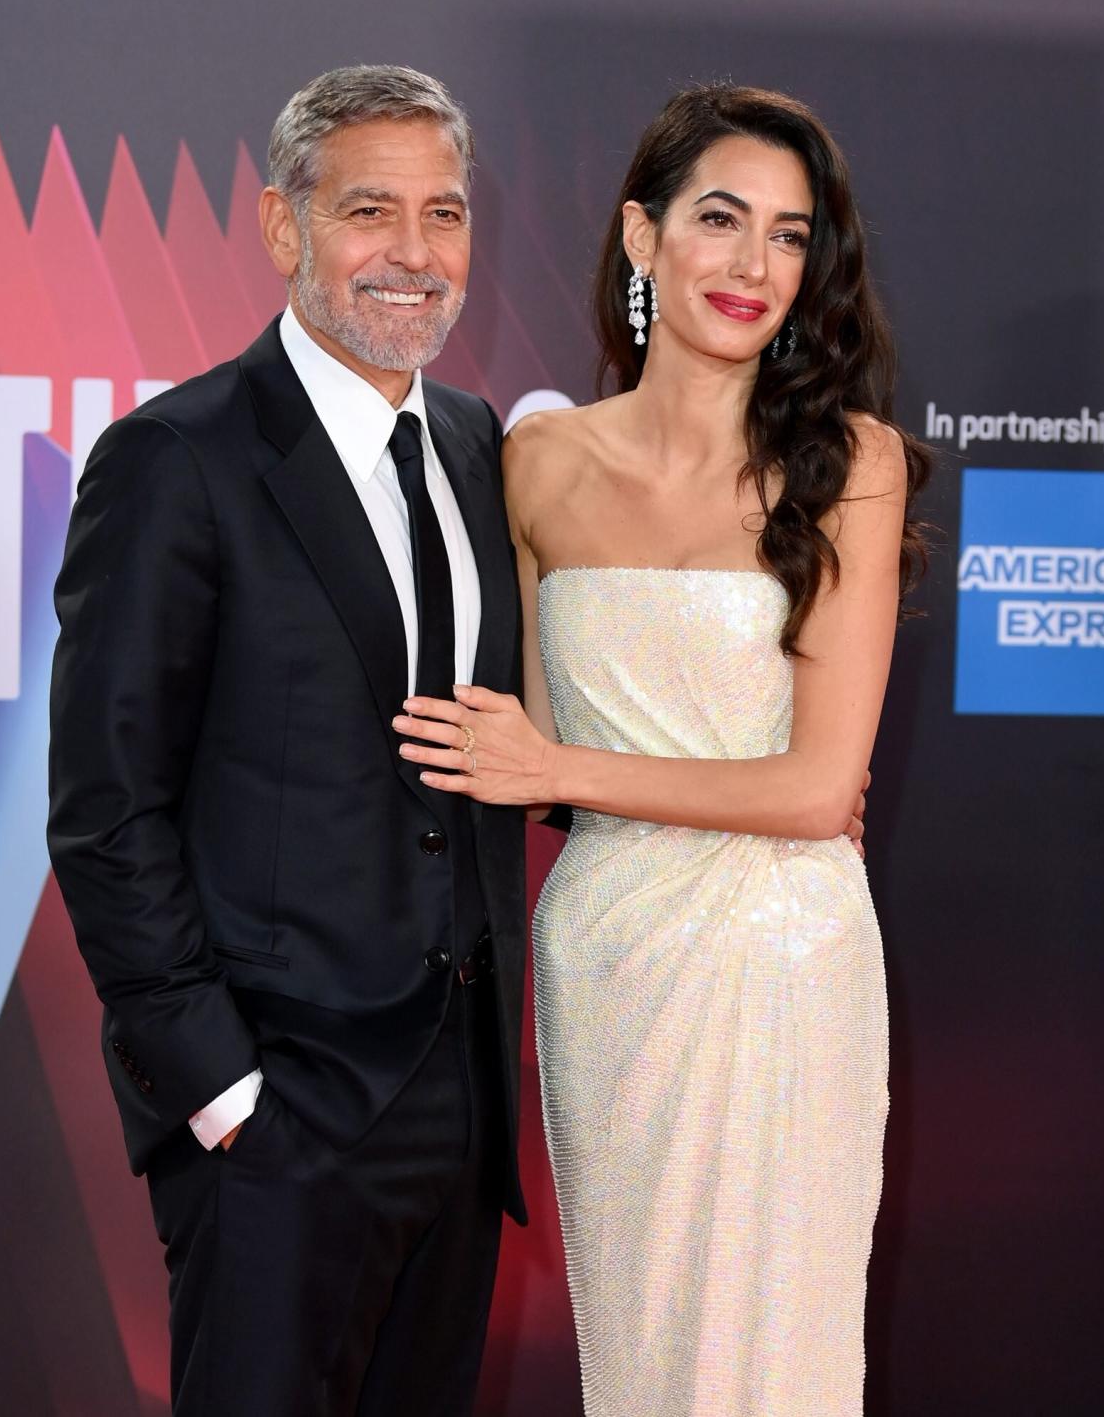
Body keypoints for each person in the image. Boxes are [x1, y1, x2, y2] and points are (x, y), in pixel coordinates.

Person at [394, 84, 929, 1416]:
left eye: (790, 235)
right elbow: (505, 725)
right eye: (718, 218)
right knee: (637, 1351)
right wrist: (550, 771)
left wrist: (559, 774)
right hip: (610, 962)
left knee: (781, 1354)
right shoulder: (536, 462)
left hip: (788, 960)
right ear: (642, 238)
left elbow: (812, 793)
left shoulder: (850, 463)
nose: (753, 265)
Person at [47, 65, 527, 1417]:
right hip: (278, 1108)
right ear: (281, 226)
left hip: (460, 1098)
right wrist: (221, 1090)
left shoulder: (482, 448)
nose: (415, 255)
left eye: (444, 214)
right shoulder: (177, 458)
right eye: (370, 210)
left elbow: (499, 745)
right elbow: (104, 806)